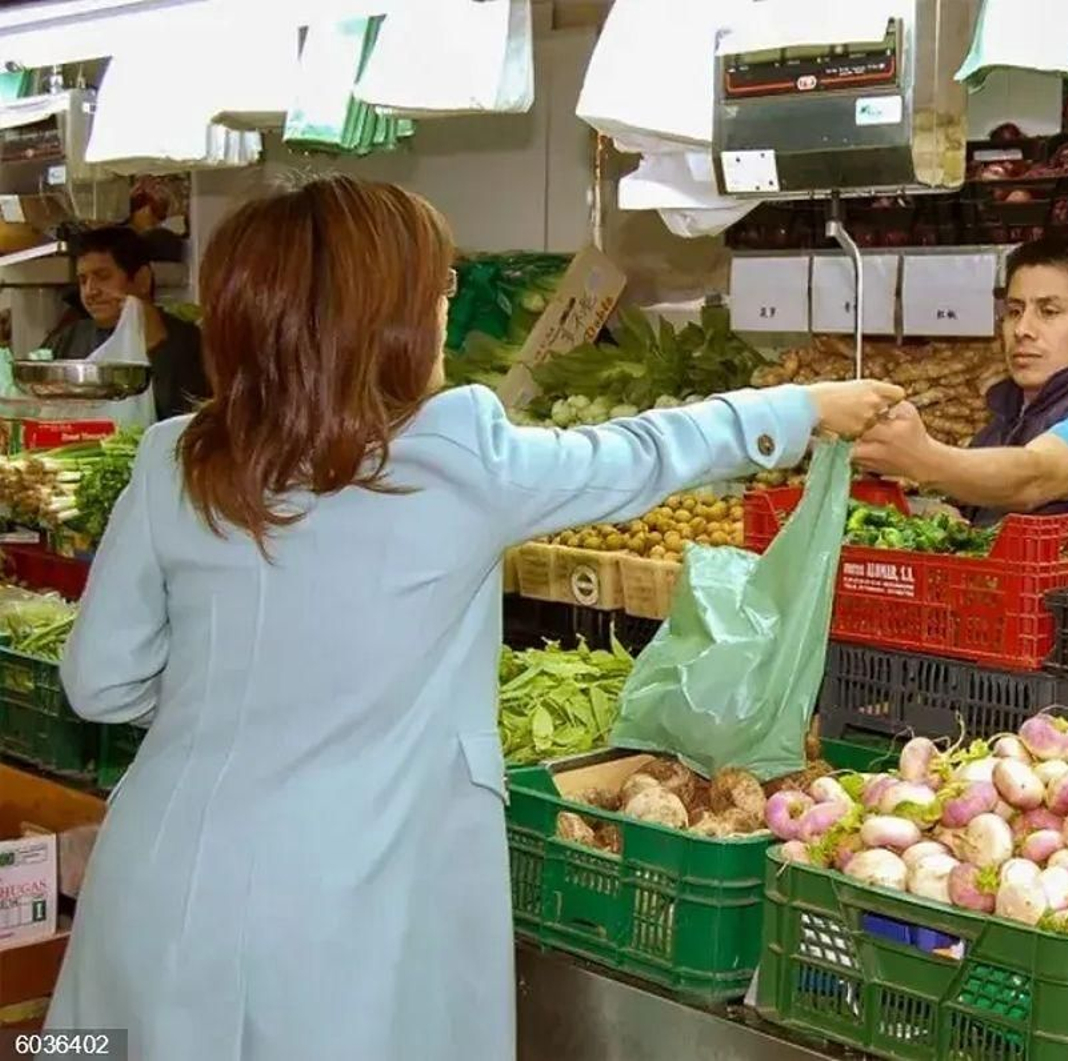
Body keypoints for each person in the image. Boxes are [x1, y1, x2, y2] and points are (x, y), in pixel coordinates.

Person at [45, 175, 902, 1061]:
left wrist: (227, 706)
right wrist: (801, 408)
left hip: (157, 886)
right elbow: (638, 453)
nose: (447, 313)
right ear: (387, 320)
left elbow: (99, 682)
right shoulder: (454, 454)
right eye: (439, 293)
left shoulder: (173, 456)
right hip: (345, 908)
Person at [854, 236, 1068, 568]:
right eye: (1014, 311)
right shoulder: (1008, 415)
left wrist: (923, 460)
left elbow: (1033, 476)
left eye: (1049, 311)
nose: (1023, 329)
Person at [45, 225, 208, 420]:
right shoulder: (69, 339)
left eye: (102, 277)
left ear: (142, 280)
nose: (90, 292)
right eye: (83, 280)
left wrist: (156, 345)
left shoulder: (187, 343)